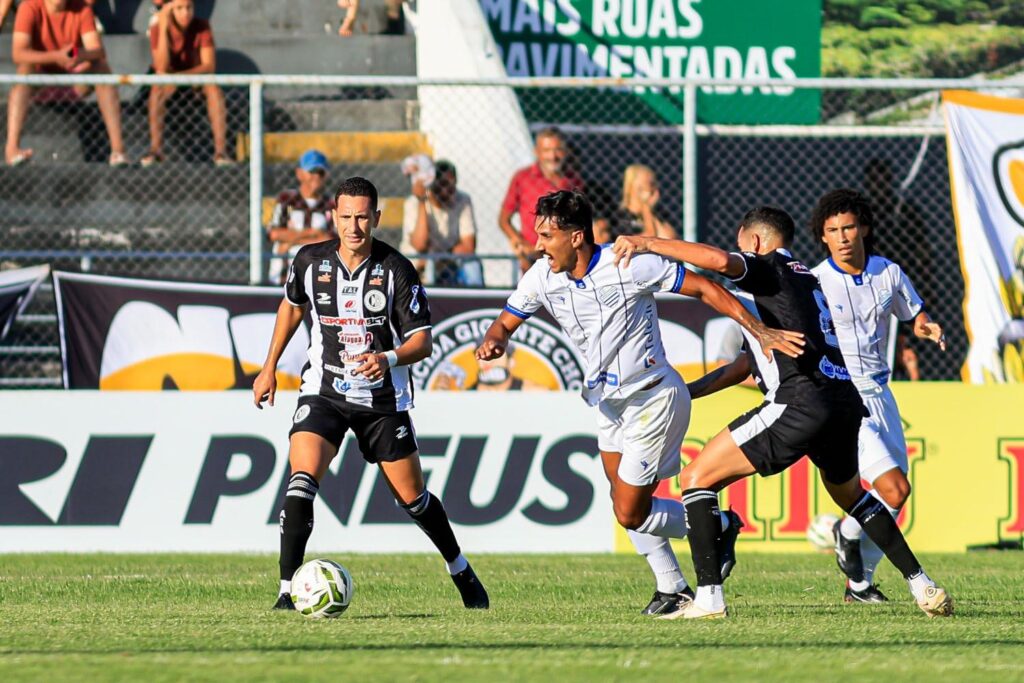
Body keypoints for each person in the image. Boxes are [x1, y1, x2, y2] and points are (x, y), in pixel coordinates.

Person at [612, 207, 952, 620]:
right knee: (853, 497)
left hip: (800, 401)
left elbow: (718, 262)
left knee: (695, 478)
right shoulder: (806, 279)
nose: (737, 256)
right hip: (842, 402)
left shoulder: (767, 266)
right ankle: (923, 586)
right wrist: (691, 391)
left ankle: (709, 599)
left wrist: (648, 242)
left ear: (753, 242)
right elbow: (748, 361)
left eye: (741, 244)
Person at [476, 190, 804, 615]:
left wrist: (757, 330)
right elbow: (506, 321)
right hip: (606, 402)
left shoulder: (628, 262)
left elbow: (704, 288)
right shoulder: (542, 275)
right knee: (622, 503)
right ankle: (673, 589)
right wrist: (495, 339)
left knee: (630, 512)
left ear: (576, 237)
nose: (538, 244)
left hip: (653, 397)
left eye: (546, 235)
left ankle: (716, 525)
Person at [253, 176, 488, 611]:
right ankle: (287, 592)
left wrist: (388, 358)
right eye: (346, 217)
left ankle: (460, 569)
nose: (354, 226)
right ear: (333, 217)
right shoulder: (309, 261)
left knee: (413, 499)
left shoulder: (396, 270)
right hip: (323, 392)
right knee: (300, 482)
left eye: (363, 217)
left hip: (381, 402)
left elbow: (423, 342)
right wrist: (268, 368)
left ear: (377, 218)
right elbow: (292, 305)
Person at [809, 188, 946, 603]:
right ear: (824, 237)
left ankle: (859, 583)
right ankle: (845, 531)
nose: (843, 236)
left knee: (897, 497)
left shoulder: (889, 272)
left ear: (864, 228)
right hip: (844, 396)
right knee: (892, 489)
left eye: (849, 226)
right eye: (832, 230)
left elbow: (913, 314)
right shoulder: (816, 281)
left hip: (881, 393)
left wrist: (925, 326)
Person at [7, 0, 127, 166]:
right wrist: (56, 56)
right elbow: (18, 54)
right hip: (39, 80)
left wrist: (77, 53)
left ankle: (118, 150)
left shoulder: (82, 8)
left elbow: (97, 50)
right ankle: (12, 148)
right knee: (24, 70)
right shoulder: (28, 7)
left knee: (101, 68)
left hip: (74, 79)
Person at [142, 0, 230, 167]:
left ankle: (221, 152)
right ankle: (156, 150)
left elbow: (208, 66)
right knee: (157, 89)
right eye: (179, 8)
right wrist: (162, 25)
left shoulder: (202, 26)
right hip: (167, 82)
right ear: (169, 10)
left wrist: (179, 77)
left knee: (213, 88)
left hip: (193, 79)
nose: (185, 13)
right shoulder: (158, 29)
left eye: (189, 7)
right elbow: (161, 66)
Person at [499, 127, 584, 272]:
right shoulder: (522, 178)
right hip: (533, 255)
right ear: (537, 152)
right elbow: (503, 219)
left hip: (565, 257)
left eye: (558, 150)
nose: (553, 156)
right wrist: (520, 244)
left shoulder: (574, 180)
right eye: (546, 151)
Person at [400, 159, 478, 287]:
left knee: (472, 266)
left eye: (451, 186)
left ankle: (476, 303)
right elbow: (420, 244)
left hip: (448, 261)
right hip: (419, 265)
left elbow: (468, 247)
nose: (446, 191)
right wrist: (422, 202)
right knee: (430, 266)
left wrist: (441, 257)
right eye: (441, 185)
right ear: (431, 184)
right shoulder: (413, 203)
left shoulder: (463, 200)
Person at [265, 149, 336, 285]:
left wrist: (291, 242)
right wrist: (312, 233)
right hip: (283, 277)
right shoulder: (287, 199)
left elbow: (331, 241)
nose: (316, 177)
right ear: (300, 173)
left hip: (317, 280)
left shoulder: (330, 204)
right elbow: (274, 234)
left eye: (320, 173)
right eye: (311, 171)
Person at [595, 164, 677, 244]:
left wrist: (649, 211)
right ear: (634, 186)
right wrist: (646, 208)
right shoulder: (615, 215)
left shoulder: (658, 214)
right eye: (650, 183)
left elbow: (670, 242)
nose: (654, 188)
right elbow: (649, 239)